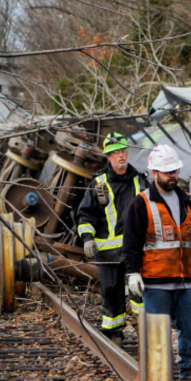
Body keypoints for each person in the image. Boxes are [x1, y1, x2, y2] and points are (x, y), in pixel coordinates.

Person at [122, 144, 191, 381]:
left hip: (184, 281)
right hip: (156, 283)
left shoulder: (187, 202)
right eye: (167, 172)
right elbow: (131, 243)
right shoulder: (141, 203)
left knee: (190, 328)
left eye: (174, 170)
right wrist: (132, 273)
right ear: (154, 172)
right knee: (158, 335)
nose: (172, 175)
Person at [77, 132, 149, 346]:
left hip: (135, 250)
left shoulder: (140, 180)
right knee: (111, 291)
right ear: (108, 157)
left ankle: (144, 329)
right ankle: (113, 333)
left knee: (140, 290)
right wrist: (88, 238)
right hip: (107, 252)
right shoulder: (98, 185)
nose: (120, 156)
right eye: (115, 152)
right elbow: (85, 215)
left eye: (123, 151)